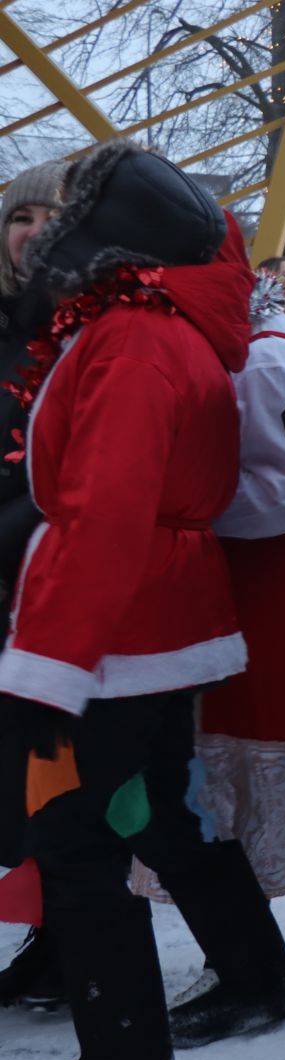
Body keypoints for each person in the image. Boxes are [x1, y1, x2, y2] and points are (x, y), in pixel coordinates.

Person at [0, 142, 285, 1060]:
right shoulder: (163, 330)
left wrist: (44, 671)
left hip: (117, 628)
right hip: (160, 616)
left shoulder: (133, 339)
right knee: (158, 813)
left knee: (80, 835)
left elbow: (102, 513)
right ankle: (256, 971)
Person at [130, 269, 285, 985]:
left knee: (277, 729)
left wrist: (185, 508)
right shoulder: (230, 343)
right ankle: (277, 924)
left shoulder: (268, 354)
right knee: (247, 739)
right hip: (257, 576)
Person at [0, 158, 65, 1010]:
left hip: (49, 579)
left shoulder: (107, 328)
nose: (37, 230)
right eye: (21, 216)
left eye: (56, 215)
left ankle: (61, 939)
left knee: (54, 776)